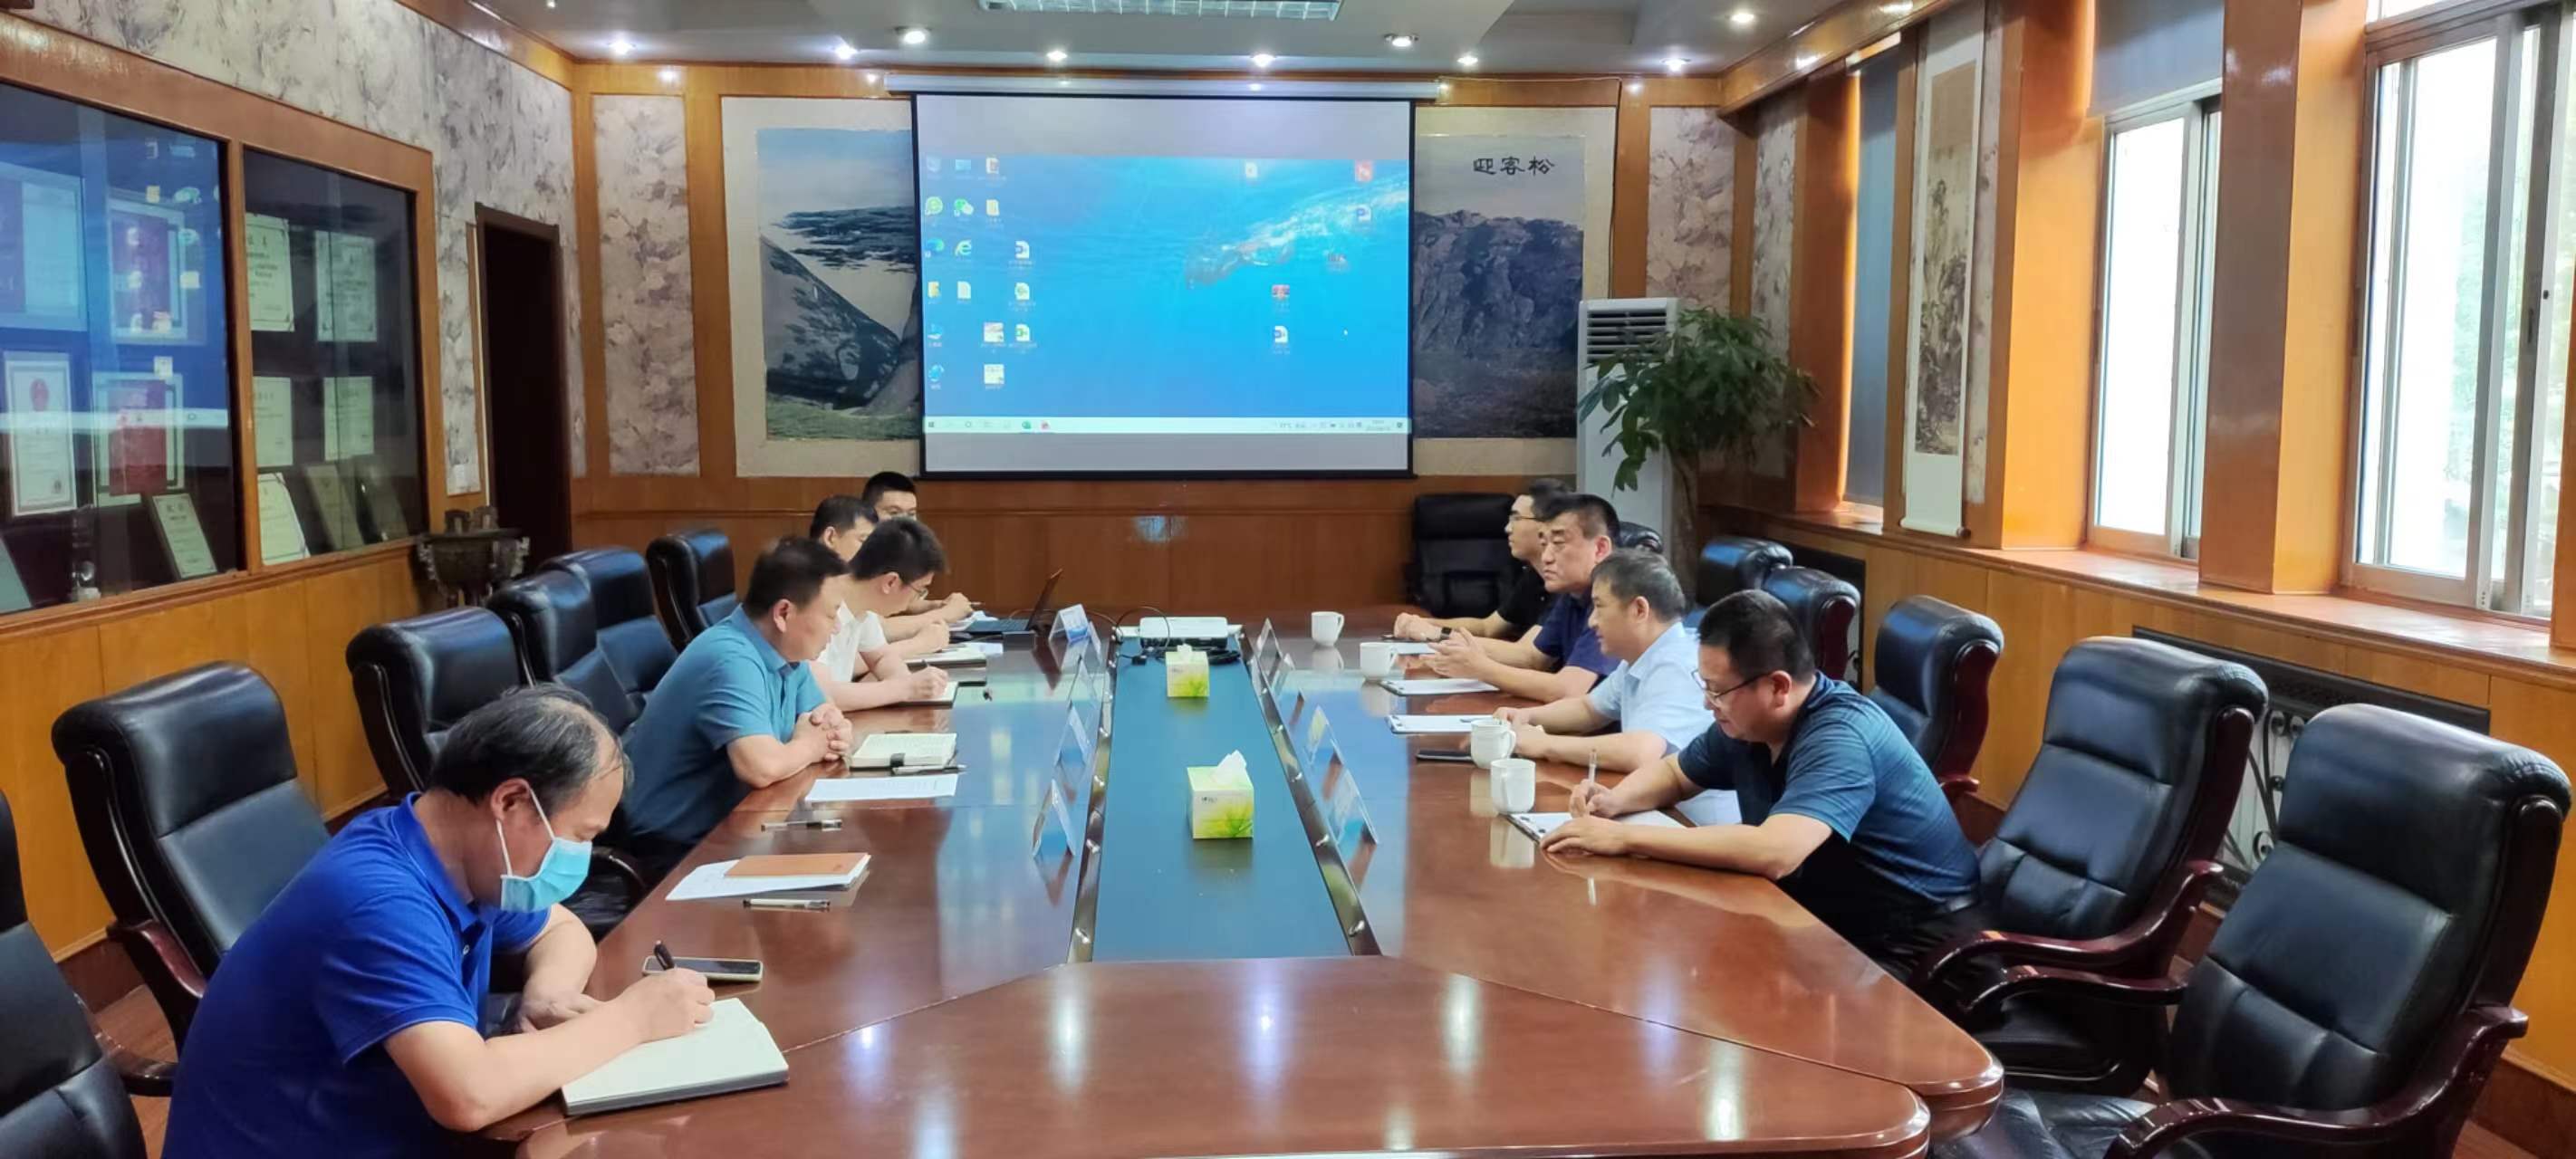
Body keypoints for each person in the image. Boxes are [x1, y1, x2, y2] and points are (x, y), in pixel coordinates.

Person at [164, 689, 716, 1155]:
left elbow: (561, 929)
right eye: (581, 835)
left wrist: (547, 992)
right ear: (512, 802)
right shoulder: (378, 901)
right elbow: (468, 1095)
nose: (581, 855)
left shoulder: (463, 857)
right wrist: (632, 1020)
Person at [1542, 589, 1981, 972]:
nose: (1708, 703)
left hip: (1918, 951)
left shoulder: (1841, 737)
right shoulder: (1747, 722)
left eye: (1717, 689)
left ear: (1778, 687)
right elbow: (1676, 774)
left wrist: (1623, 839)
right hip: (1827, 923)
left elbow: (1776, 852)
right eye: (1704, 685)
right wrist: (1614, 802)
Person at [620, 536, 858, 867]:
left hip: (737, 827)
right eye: (831, 615)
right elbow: (760, 767)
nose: (838, 627)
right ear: (784, 613)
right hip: (673, 850)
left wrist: (836, 731)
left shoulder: (785, 652)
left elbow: (824, 716)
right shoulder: (730, 659)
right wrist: (810, 745)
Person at [1494, 548, 1710, 773]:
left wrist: (1545, 745)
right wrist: (1525, 716)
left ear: (1639, 610)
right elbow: (1588, 709)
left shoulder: (1677, 665)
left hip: (1685, 799)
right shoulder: (1641, 658)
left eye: (1599, 606)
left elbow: (1638, 752)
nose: (1592, 621)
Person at [1423, 491, 1620, 702]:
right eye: (1544, 545)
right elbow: (1532, 657)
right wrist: (1449, 643)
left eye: (1558, 543)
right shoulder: (1573, 594)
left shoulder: (1617, 597)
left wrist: (1481, 669)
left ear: (1600, 549)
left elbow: (1568, 689)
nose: (1546, 557)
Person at [804, 501, 954, 712]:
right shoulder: (818, 601)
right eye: (920, 589)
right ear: (890, 582)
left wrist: (911, 683)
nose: (917, 598)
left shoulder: (863, 607)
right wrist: (905, 688)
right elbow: (824, 695)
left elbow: (882, 657)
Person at [1392, 477, 1563, 642]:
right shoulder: (1535, 575)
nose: (1507, 528)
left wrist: (1437, 634)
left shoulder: (1565, 584)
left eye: (1516, 518)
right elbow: (1488, 627)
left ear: (1546, 525)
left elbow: (1527, 655)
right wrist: (1425, 624)